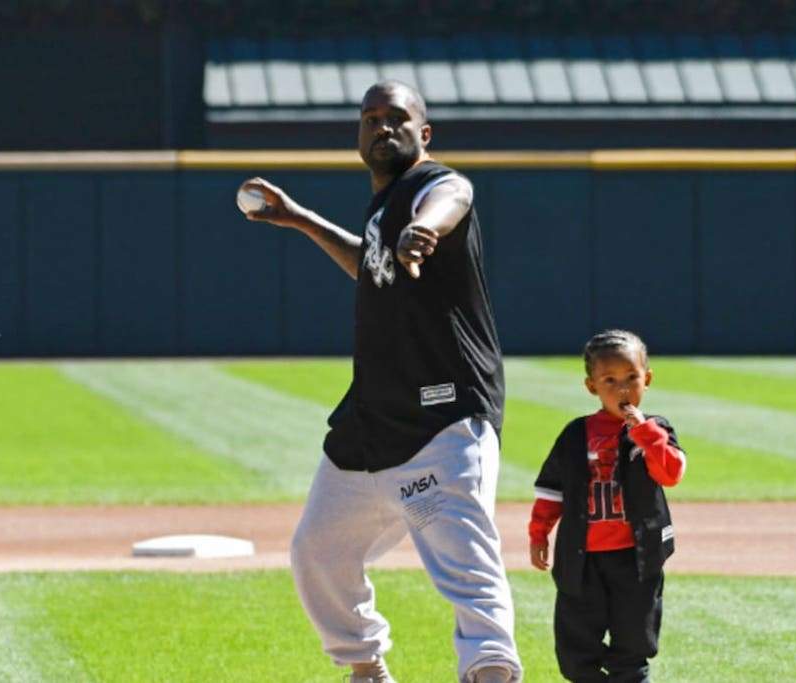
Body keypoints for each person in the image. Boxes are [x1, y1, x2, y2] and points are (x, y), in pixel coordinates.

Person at [238, 81, 522, 683]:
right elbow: (373, 269)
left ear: (425, 133)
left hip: (440, 417)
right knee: (320, 552)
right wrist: (300, 219)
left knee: (466, 567)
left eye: (396, 117)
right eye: (370, 118)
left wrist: (426, 230)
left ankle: (491, 672)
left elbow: (451, 199)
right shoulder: (384, 203)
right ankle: (365, 668)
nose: (381, 126)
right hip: (372, 421)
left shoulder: (433, 185)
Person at [528, 330, 686, 683]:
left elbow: (671, 473)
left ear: (647, 378)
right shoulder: (575, 434)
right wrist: (538, 534)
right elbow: (551, 492)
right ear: (591, 386)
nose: (623, 389)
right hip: (582, 561)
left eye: (632, 378)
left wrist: (644, 432)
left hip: (636, 559)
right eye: (609, 380)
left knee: (632, 649)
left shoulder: (656, 429)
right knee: (574, 654)